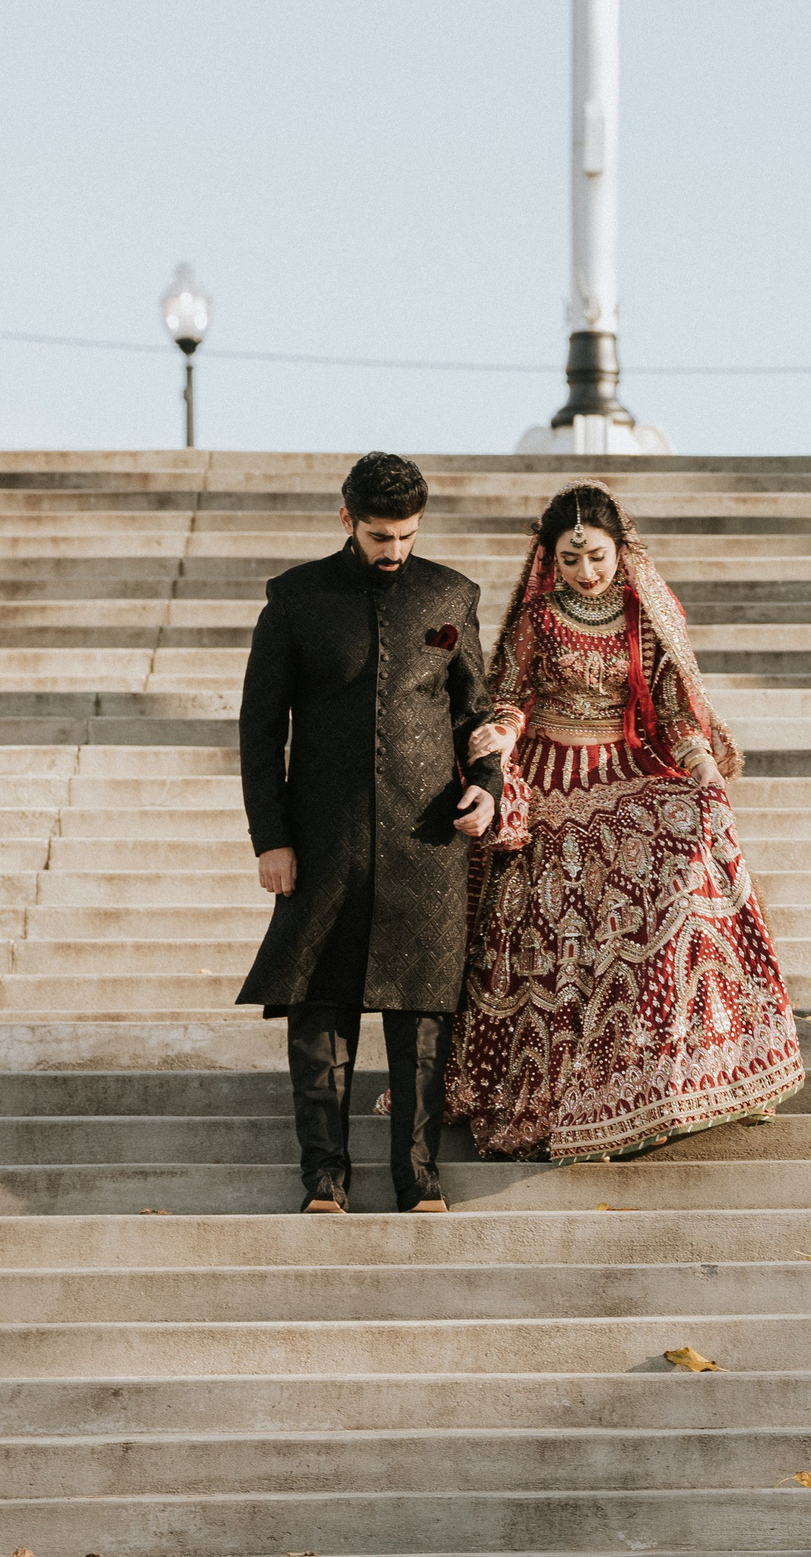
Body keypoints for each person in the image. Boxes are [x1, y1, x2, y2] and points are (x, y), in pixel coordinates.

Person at [447, 481, 803, 1163]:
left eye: (597, 557)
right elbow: (511, 695)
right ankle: (571, 1091)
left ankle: (688, 1071)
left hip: (625, 765)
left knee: (693, 836)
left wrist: (701, 763)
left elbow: (673, 711)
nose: (586, 571)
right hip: (551, 773)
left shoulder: (645, 617)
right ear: (549, 558)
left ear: (622, 551)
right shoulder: (537, 617)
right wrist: (502, 734)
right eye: (570, 559)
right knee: (552, 904)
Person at [237, 452, 502, 1214]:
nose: (395, 550)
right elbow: (260, 728)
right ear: (346, 518)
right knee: (319, 1008)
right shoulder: (294, 599)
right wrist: (270, 837)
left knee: (423, 1016)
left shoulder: (451, 595)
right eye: (381, 535)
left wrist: (486, 789)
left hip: (429, 841)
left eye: (407, 535)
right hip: (325, 839)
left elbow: (476, 715)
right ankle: (323, 1178)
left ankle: (419, 1180)